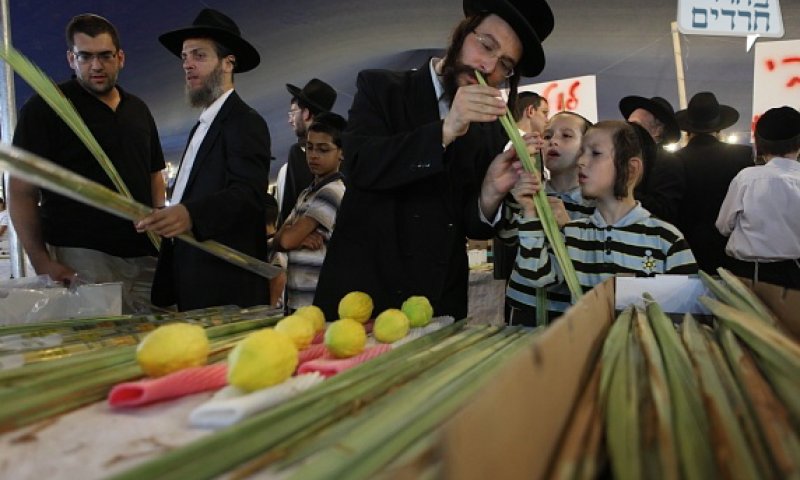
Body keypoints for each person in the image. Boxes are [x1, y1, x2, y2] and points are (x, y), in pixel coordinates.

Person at [314, 0, 555, 321]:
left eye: (505, 65)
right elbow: (359, 165)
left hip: (436, 301)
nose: (488, 67)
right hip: (362, 293)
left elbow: (469, 223)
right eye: (485, 45)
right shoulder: (382, 88)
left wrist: (490, 192)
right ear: (462, 33)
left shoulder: (491, 128)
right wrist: (446, 130)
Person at [10, 13, 165, 312]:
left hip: (146, 255)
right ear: (71, 58)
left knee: (153, 346)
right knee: (100, 347)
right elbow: (21, 190)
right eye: (85, 56)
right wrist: (42, 261)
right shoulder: (47, 107)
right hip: (82, 256)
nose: (96, 66)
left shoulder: (138, 109)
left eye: (105, 56)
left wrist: (157, 222)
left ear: (120, 57)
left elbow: (153, 174)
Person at [137, 8, 271, 310]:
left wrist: (190, 214)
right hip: (192, 280)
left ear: (228, 63)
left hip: (224, 287)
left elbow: (248, 195)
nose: (187, 66)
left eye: (199, 56)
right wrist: (166, 216)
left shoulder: (245, 121)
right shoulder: (201, 125)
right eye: (184, 58)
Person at [509, 121, 697, 317]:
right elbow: (537, 276)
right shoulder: (573, 233)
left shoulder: (665, 239)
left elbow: (688, 307)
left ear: (631, 169)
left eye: (595, 153)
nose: (581, 161)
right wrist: (530, 212)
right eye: (582, 152)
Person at [503, 111, 594, 325]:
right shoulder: (528, 192)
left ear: (587, 148)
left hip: (570, 310)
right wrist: (517, 202)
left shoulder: (594, 202)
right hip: (523, 305)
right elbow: (507, 237)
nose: (553, 141)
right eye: (548, 135)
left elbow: (594, 256)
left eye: (566, 136)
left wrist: (568, 226)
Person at [716, 106, 800, 289]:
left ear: (760, 144)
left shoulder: (746, 178)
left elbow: (723, 226)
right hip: (795, 271)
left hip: (749, 272)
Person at [273, 113, 347, 311]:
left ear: (342, 152)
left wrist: (291, 235)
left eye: (323, 149)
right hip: (297, 300)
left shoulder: (332, 192)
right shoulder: (306, 193)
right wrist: (297, 237)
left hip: (316, 304)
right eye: (310, 147)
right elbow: (279, 241)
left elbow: (286, 240)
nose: (313, 155)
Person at [675, 91, 753, 274]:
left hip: (687, 248)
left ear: (687, 131)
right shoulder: (741, 156)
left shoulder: (675, 160)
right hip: (731, 248)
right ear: (719, 129)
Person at [279, 78, 337, 227]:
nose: (290, 120)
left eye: (293, 112)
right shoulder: (340, 151)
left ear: (305, 113)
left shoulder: (298, 152)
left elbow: (291, 205)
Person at [619, 95, 685, 224]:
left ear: (657, 130)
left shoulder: (669, 163)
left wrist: (623, 190)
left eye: (636, 125)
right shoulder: (622, 156)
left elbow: (665, 210)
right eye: (628, 124)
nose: (629, 130)